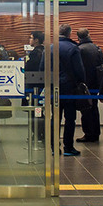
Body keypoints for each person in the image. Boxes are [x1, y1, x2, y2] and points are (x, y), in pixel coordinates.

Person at [40, 24, 87, 157]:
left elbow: (42, 68)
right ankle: (68, 147)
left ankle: (54, 147)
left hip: (52, 87)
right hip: (69, 88)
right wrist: (81, 83)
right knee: (70, 119)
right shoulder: (73, 48)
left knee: (54, 118)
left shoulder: (48, 48)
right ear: (69, 34)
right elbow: (79, 70)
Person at [77, 28, 103, 144]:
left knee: (86, 109)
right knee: (94, 107)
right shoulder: (97, 48)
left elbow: (78, 67)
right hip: (96, 83)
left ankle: (88, 133)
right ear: (89, 35)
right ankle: (96, 132)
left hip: (84, 84)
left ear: (78, 37)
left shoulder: (79, 49)